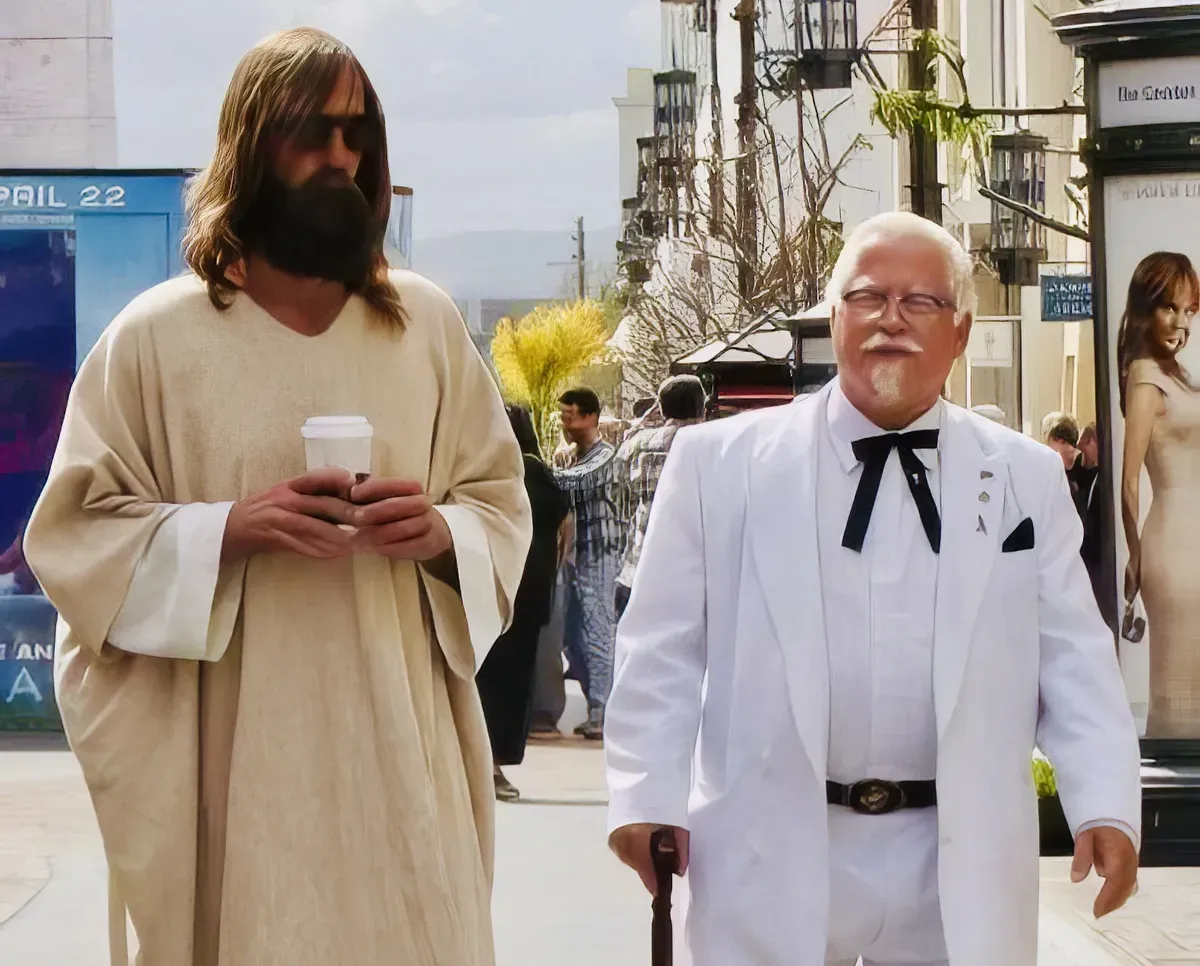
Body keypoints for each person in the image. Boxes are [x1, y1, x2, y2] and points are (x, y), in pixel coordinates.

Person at [23, 28, 531, 966]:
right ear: (254, 142)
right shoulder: (156, 340)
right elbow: (73, 537)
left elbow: (499, 505)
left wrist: (439, 532)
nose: (341, 156)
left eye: (358, 135)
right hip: (233, 764)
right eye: (314, 132)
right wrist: (225, 531)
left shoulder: (424, 326)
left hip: (398, 752)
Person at [604, 211, 1141, 966]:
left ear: (960, 332)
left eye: (920, 302)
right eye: (868, 297)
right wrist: (645, 797)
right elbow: (660, 649)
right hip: (772, 840)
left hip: (954, 855)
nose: (892, 319)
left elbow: (1073, 659)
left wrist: (1106, 803)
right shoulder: (718, 463)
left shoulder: (1024, 476)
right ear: (835, 318)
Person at [1118, 251, 1200, 738]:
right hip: (1175, 548)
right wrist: (1135, 553)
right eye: (1170, 307)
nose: (1181, 321)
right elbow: (1130, 480)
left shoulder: (1179, 375)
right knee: (1180, 684)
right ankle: (1175, 809)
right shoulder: (1146, 378)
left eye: (1189, 309)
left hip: (1192, 536)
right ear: (1145, 308)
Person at [477, 405, 569, 800]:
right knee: (514, 685)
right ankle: (497, 764)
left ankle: (484, 766)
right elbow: (566, 538)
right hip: (532, 598)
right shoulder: (545, 478)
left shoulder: (495, 475)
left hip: (491, 591)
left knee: (483, 681)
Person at [555, 387, 622, 740]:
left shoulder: (604, 456)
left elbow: (576, 482)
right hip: (574, 554)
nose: (566, 424)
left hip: (599, 552)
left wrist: (533, 471)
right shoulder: (571, 457)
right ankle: (595, 703)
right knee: (570, 636)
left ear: (590, 417)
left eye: (570, 416)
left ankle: (602, 709)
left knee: (597, 629)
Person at [613, 375, 706, 621]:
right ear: (702, 408)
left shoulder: (632, 446)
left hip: (635, 573)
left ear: (662, 408)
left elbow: (617, 504)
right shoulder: (710, 445)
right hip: (691, 583)